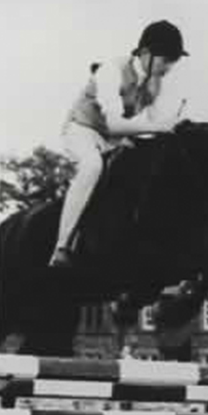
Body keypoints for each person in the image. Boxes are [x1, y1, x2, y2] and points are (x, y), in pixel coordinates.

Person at [50, 20, 189, 267]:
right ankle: (62, 246)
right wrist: (158, 127)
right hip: (82, 130)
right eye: (165, 59)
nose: (169, 66)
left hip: (114, 139)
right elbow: (114, 124)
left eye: (173, 61)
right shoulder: (110, 70)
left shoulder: (157, 84)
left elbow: (156, 127)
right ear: (145, 53)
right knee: (93, 166)